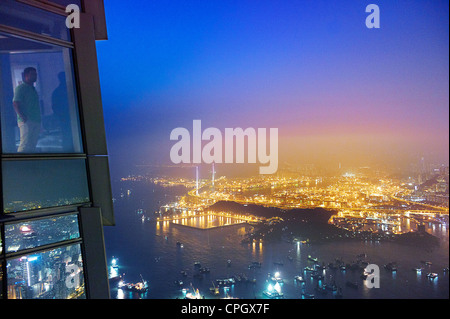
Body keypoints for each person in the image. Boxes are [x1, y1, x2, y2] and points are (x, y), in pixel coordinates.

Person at [12, 67, 41, 153]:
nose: (35, 76)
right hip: (26, 121)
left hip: (35, 120)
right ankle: (19, 164)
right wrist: (23, 117)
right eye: (32, 74)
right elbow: (15, 103)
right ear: (26, 76)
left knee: (32, 144)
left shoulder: (33, 89)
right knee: (24, 145)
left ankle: (29, 164)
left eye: (35, 74)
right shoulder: (21, 88)